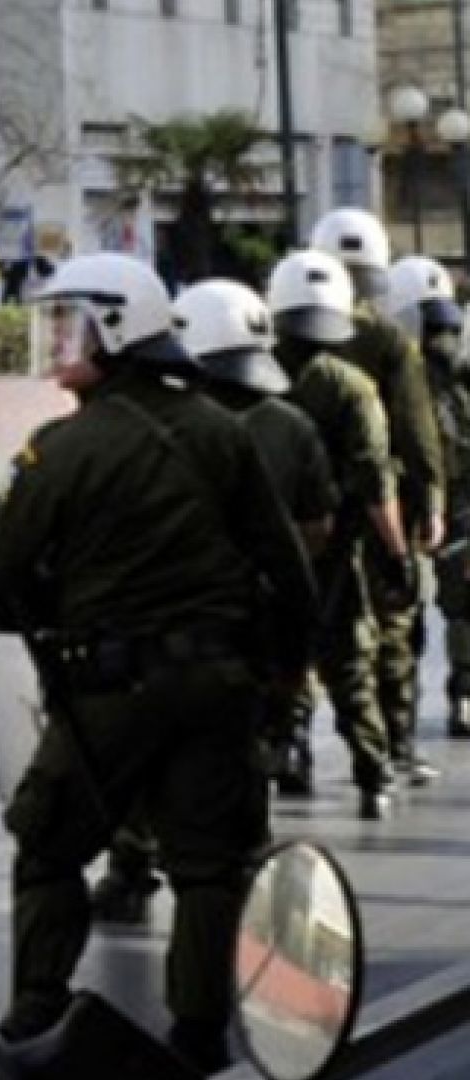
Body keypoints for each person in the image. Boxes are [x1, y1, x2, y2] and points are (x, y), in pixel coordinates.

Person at [0, 253, 315, 1071]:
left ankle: (35, 1012)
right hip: (217, 683)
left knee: (49, 846)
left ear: (118, 331)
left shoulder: (60, 448)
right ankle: (198, 1032)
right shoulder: (221, 432)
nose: (56, 342)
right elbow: (289, 572)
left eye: (71, 326)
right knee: (208, 867)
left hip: (107, 691)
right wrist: (285, 677)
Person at [87, 278, 335, 925]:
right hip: (246, 635)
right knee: (232, 774)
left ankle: (131, 863)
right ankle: (240, 894)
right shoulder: (291, 426)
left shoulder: (148, 426)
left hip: (148, 632)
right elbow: (314, 532)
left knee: (144, 753)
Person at [268, 250, 410, 817]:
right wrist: (396, 552)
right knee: (349, 658)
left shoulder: (246, 378)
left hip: (265, 546)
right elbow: (376, 481)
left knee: (281, 654)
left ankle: (289, 749)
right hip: (333, 544)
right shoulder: (351, 386)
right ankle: (373, 774)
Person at [311, 210, 447, 787]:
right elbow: (417, 430)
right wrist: (431, 501)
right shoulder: (389, 339)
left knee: (301, 621)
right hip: (381, 502)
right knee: (392, 620)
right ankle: (396, 745)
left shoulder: (279, 331)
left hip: (302, 503)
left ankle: (291, 747)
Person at [387, 256, 470, 741]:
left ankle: (455, 692)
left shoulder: (453, 375)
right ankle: (408, 702)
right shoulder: (388, 371)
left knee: (455, 605)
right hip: (408, 500)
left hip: (446, 502)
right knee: (406, 610)